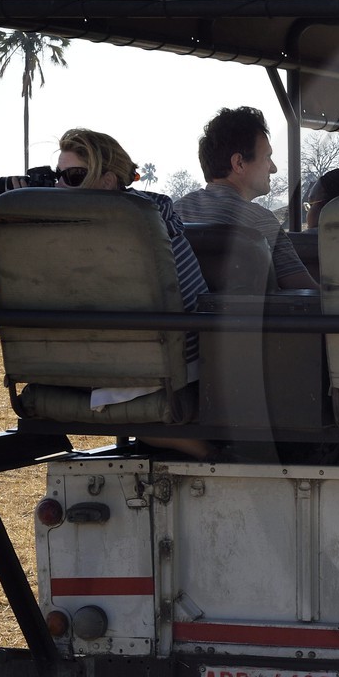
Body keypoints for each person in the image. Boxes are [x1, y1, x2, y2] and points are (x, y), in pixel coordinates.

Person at [54, 127, 212, 458]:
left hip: (156, 362)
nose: (59, 186)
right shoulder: (144, 213)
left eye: (74, 176)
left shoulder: (122, 223)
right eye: (58, 176)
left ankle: (209, 457)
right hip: (148, 357)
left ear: (108, 182)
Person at [176, 106, 319, 290]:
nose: (273, 168)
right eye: (267, 157)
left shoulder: (174, 214)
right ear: (239, 163)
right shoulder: (260, 221)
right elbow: (307, 295)